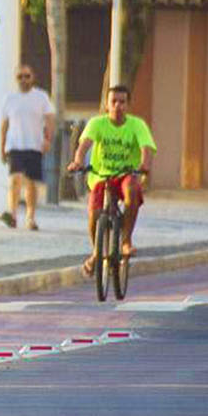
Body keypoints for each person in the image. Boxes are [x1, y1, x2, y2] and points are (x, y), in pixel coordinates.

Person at [67, 84, 157, 275]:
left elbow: (146, 148)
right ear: (106, 105)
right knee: (94, 213)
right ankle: (96, 252)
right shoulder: (97, 123)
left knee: (132, 190)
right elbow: (84, 145)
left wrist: (144, 165)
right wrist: (77, 161)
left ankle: (125, 240)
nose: (117, 106)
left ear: (128, 105)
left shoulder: (137, 125)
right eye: (113, 102)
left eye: (122, 102)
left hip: (126, 174)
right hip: (101, 175)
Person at [0, 64, 55, 231]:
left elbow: (50, 119)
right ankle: (13, 214)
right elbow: (4, 125)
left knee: (31, 183)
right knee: (14, 179)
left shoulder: (41, 97)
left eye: (27, 76)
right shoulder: (9, 99)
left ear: (33, 77)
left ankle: (30, 217)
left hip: (34, 145)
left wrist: (47, 139)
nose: (23, 80)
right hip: (15, 146)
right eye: (20, 77)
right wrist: (1, 147)